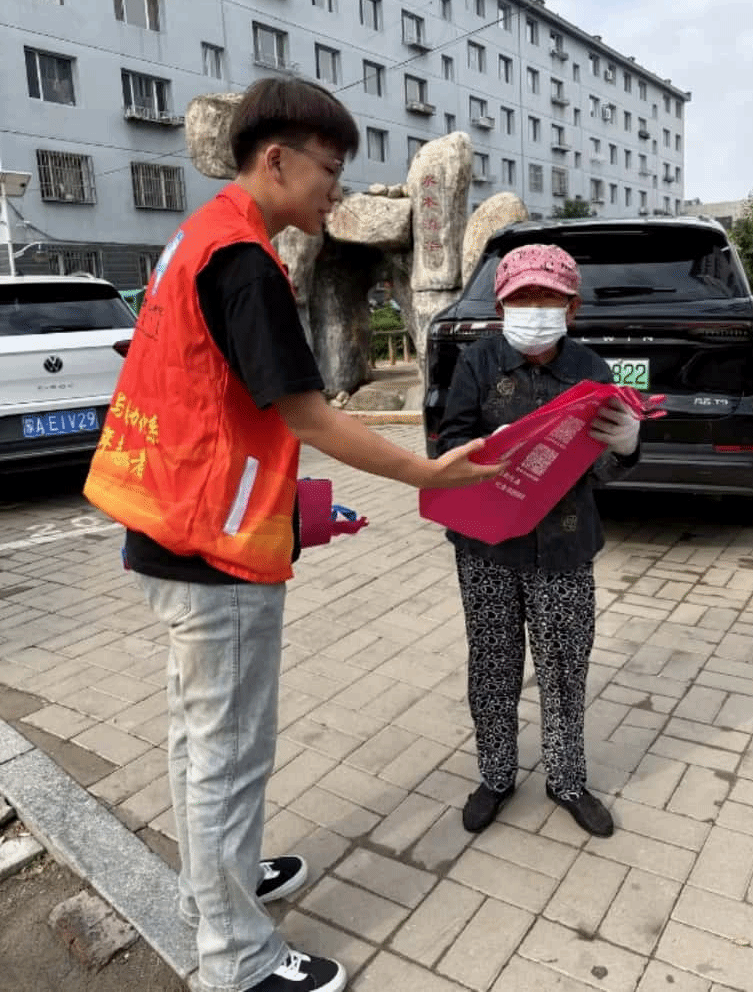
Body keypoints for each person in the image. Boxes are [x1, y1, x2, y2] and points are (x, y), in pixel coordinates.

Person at [83, 77, 501, 992]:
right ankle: (238, 957)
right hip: (214, 555)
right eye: (329, 170)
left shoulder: (195, 238)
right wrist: (428, 472)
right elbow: (310, 415)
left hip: (166, 526)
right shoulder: (244, 261)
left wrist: (294, 506)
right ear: (275, 159)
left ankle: (212, 888)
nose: (336, 193)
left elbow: (217, 405)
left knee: (198, 740)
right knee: (228, 758)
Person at [435, 243, 641, 839]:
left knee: (564, 665)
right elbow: (446, 444)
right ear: (501, 307)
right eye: (521, 298)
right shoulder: (477, 363)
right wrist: (488, 448)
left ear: (571, 308)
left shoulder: (591, 370)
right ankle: (496, 775)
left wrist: (627, 446)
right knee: (492, 663)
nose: (533, 308)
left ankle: (567, 779)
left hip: (564, 545)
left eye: (547, 298)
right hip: (487, 545)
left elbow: (604, 464)